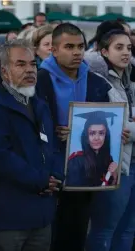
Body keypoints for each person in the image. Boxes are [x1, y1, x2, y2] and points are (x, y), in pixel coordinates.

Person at [0, 39, 62, 251]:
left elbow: (53, 146)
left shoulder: (39, 103)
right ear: (5, 72)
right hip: (8, 218)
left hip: (41, 215)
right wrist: (41, 180)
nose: (30, 70)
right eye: (21, 64)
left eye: (33, 64)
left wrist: (57, 175)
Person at [36, 23, 111, 251]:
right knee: (49, 236)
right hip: (49, 171)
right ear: (54, 50)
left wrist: (116, 133)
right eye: (69, 46)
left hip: (85, 172)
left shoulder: (97, 83)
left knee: (77, 232)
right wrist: (51, 131)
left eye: (80, 46)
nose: (77, 52)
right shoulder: (37, 81)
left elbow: (107, 121)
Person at [84, 29, 135, 251]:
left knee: (128, 230)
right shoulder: (98, 83)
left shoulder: (130, 82)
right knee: (105, 229)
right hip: (114, 165)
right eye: (119, 47)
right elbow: (110, 127)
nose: (126, 53)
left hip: (132, 162)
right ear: (104, 51)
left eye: (129, 48)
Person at [66, 111, 118, 187]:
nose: (97, 138)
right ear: (86, 137)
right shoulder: (76, 161)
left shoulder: (108, 159)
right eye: (92, 133)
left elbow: (109, 189)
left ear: (106, 136)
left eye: (101, 133)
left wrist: (114, 175)